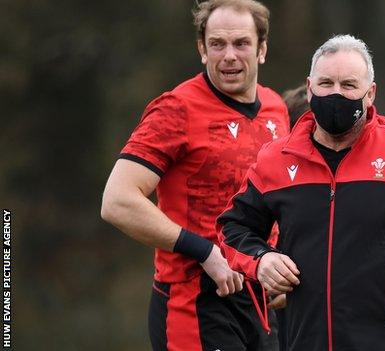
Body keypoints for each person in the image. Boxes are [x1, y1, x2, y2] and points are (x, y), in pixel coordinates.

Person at [216, 34, 385, 351]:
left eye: (348, 85)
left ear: (370, 93)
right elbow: (233, 226)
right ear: (309, 88)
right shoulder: (274, 160)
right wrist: (261, 260)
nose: (336, 94)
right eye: (326, 83)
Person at [100, 1, 289, 350]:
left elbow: (277, 201)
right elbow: (117, 201)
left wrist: (278, 265)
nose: (229, 55)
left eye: (241, 43)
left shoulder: (276, 109)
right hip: (195, 302)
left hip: (259, 302)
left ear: (262, 49)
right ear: (202, 49)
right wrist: (205, 252)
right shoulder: (176, 110)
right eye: (217, 44)